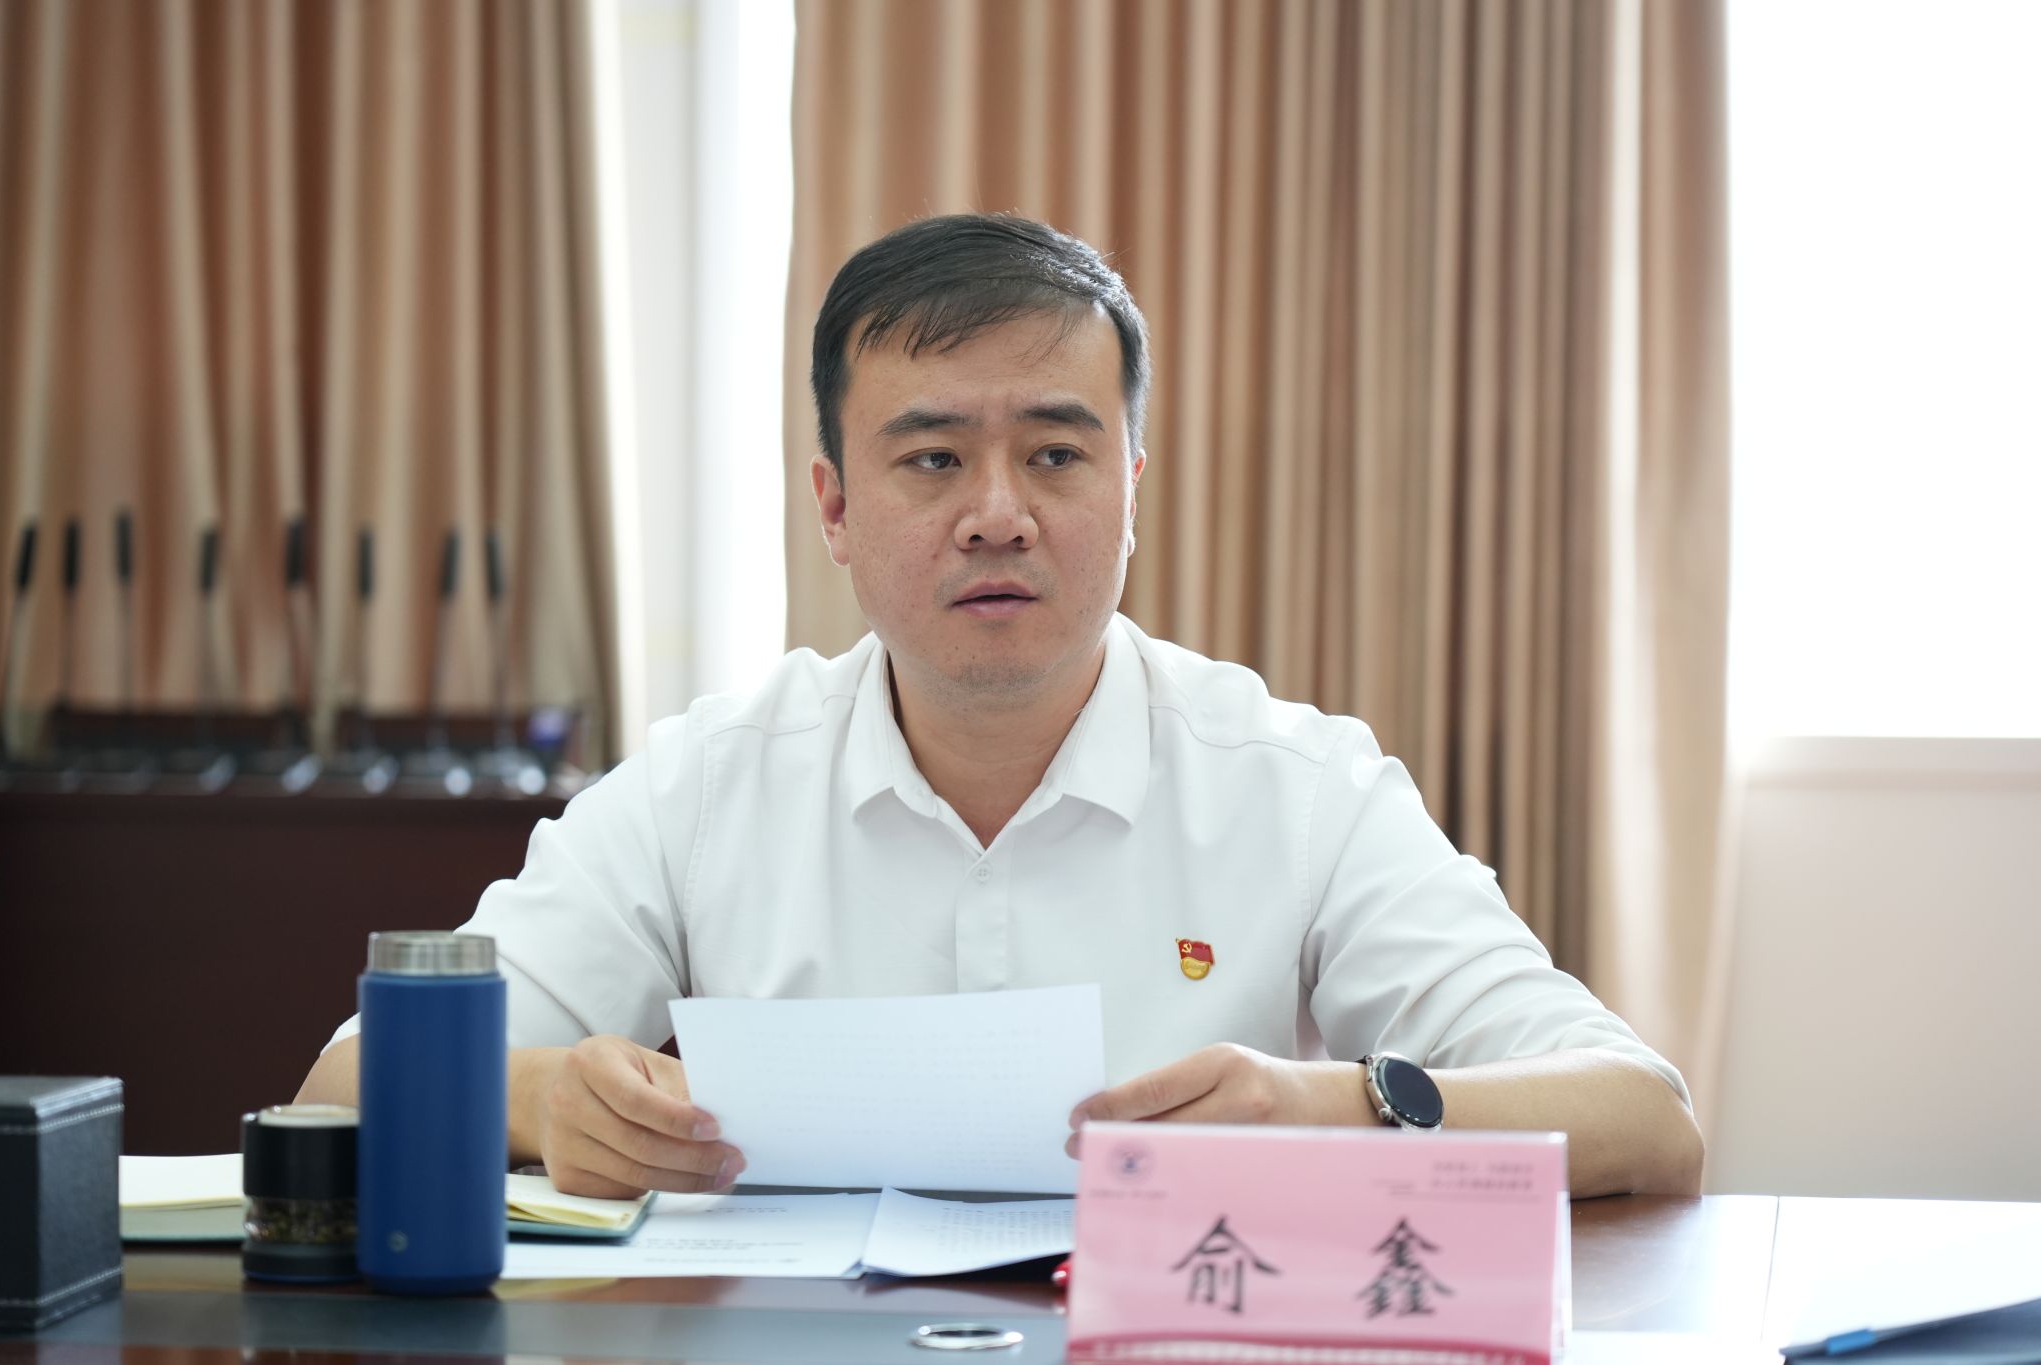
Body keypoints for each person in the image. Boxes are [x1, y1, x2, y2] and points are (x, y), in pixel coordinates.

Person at [298, 214, 1704, 1201]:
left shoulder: (1295, 785)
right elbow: (343, 1088)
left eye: (1054, 454)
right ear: (833, 507)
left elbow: (1645, 1119)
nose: (997, 515)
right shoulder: (708, 784)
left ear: (1131, 489)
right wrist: (545, 1101)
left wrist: (1325, 1106)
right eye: (931, 460)